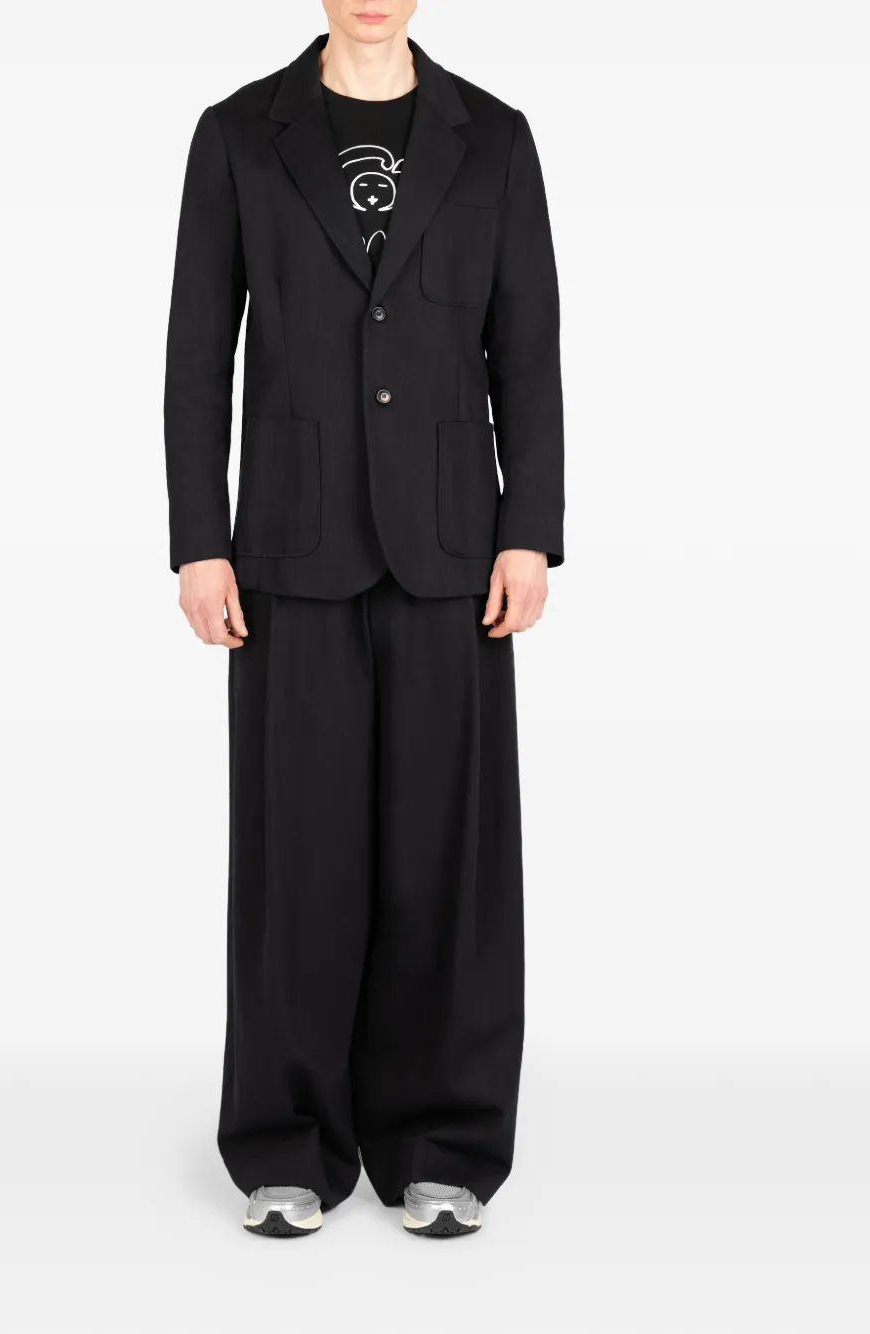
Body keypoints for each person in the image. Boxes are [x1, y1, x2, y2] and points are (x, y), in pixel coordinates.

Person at [164, 0, 563, 1239]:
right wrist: (198, 539)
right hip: (291, 544)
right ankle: (286, 1140)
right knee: (299, 856)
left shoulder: (494, 137)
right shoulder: (239, 134)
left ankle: (441, 1140)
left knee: (447, 857)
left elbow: (527, 349)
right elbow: (197, 352)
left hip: (453, 550)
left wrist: (530, 526)